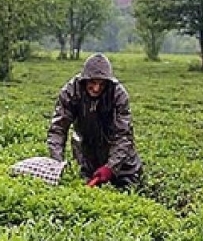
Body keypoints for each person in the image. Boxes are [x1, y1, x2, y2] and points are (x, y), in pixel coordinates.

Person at [47, 53, 143, 188]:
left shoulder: (118, 94)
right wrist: (57, 163)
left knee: (129, 188)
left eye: (101, 83)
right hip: (86, 154)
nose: (96, 88)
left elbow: (124, 136)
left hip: (119, 158)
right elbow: (58, 130)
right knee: (83, 187)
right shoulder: (71, 92)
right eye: (92, 82)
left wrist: (111, 167)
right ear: (84, 80)